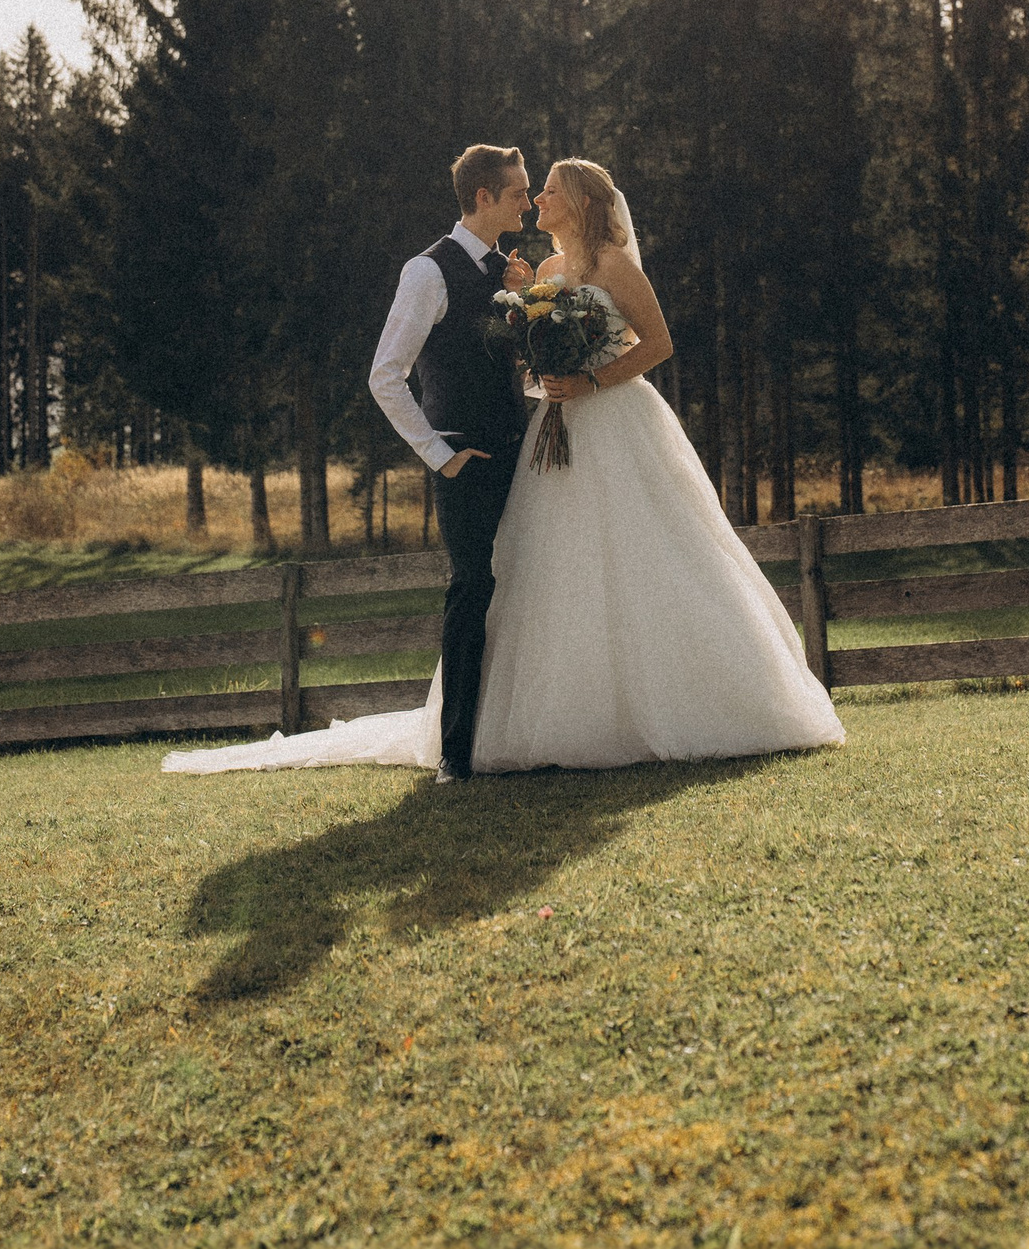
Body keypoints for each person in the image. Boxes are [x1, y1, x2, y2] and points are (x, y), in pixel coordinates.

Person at [162, 153, 843, 779]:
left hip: (596, 425)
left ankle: (677, 698)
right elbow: (406, 371)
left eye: (546, 190)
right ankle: (488, 738)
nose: (535, 199)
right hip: (521, 440)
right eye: (525, 191)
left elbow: (655, 341)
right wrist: (462, 431)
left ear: (579, 202)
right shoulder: (501, 271)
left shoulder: (586, 265)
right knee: (524, 574)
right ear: (487, 194)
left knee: (638, 553)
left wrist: (586, 378)